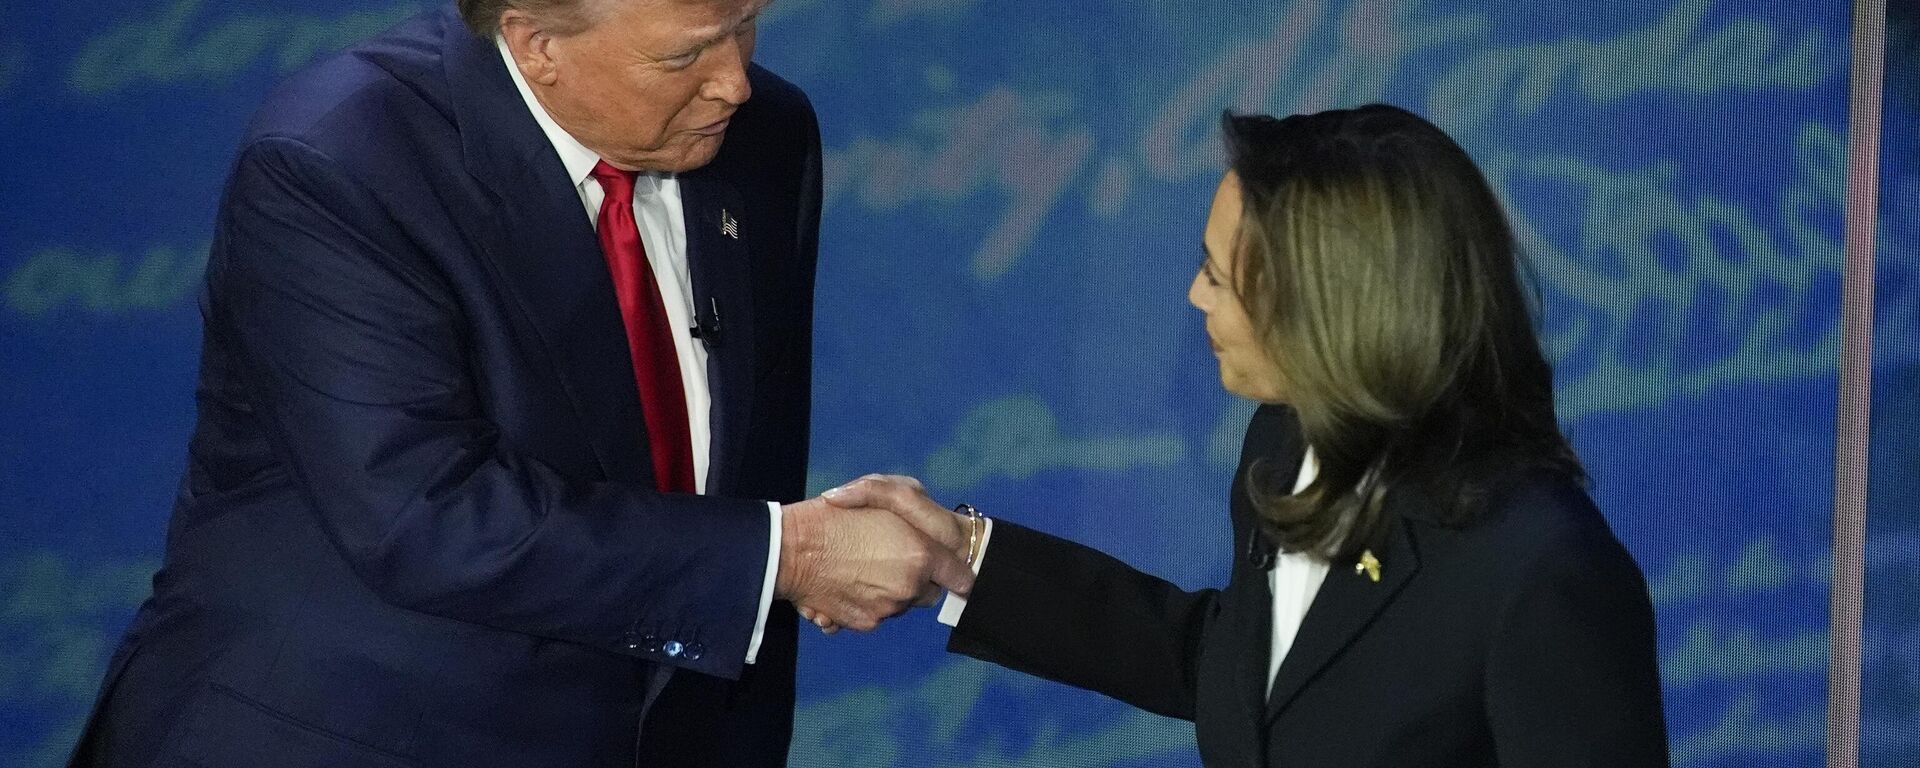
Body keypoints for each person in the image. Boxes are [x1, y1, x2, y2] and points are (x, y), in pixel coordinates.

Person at [67, 1, 969, 766]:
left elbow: (732, 463)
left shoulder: (764, 135)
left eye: (744, 25)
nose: (732, 80)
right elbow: (425, 516)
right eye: (686, 53)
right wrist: (793, 554)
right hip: (349, 733)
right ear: (535, 41)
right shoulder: (338, 162)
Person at [819, 105, 1671, 767]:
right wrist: (962, 559)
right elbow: (1238, 676)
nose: (1197, 298)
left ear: (1333, 310)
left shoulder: (1541, 574)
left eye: (1220, 277)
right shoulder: (1283, 441)